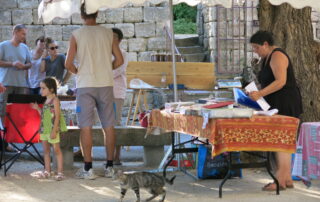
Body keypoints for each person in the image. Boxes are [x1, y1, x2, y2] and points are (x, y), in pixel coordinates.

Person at [65, 3, 123, 179]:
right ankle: (110, 166)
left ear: (81, 16)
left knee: (86, 127)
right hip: (105, 83)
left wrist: (79, 72)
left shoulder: (76, 34)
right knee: (109, 126)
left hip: (85, 85)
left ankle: (88, 168)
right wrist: (106, 68)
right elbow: (119, 60)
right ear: (97, 14)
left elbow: (68, 64)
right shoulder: (109, 33)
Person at [248, 30, 302, 191]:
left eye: (257, 47)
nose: (255, 51)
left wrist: (260, 94)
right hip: (276, 103)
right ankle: (287, 179)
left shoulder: (278, 55)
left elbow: (280, 82)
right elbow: (268, 82)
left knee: (281, 142)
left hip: (285, 102)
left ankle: (280, 181)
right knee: (281, 141)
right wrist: (254, 91)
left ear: (266, 44)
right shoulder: (266, 58)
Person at [0, 24, 32, 153]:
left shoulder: (24, 48)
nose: (25, 37)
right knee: (3, 113)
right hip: (5, 85)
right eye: (23, 34)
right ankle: (3, 143)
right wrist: (12, 64)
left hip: (21, 85)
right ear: (16, 32)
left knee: (17, 115)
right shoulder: (3, 45)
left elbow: (30, 63)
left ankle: (15, 142)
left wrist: (24, 67)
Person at [31, 77, 67, 181]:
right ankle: (47, 170)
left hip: (52, 129)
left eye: (43, 88)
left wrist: (54, 130)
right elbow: (44, 115)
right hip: (44, 129)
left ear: (51, 89)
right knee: (46, 150)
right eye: (41, 88)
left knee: (56, 150)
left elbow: (57, 116)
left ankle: (60, 172)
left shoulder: (55, 100)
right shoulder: (46, 100)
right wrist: (38, 109)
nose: (40, 90)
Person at [112, 28, 128, 165]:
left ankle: (117, 156)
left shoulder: (123, 54)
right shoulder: (103, 54)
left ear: (120, 40)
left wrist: (103, 74)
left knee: (115, 123)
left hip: (117, 92)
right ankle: (109, 156)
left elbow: (118, 70)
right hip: (104, 92)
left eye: (115, 37)